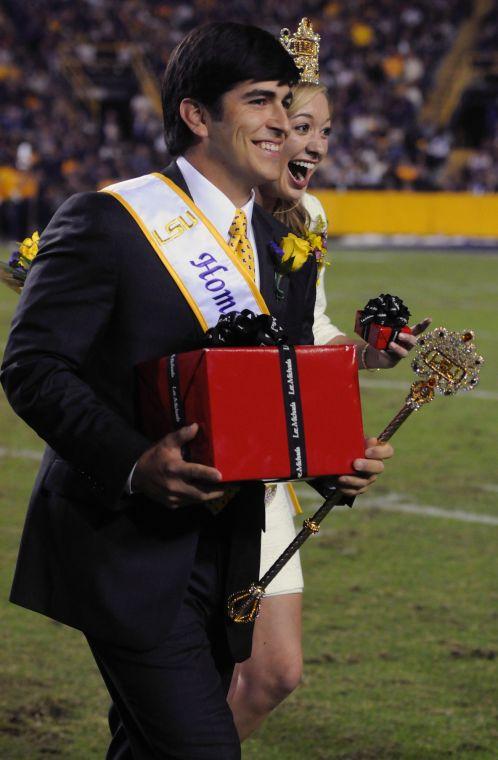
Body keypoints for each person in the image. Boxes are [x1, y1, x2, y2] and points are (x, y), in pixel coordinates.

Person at [1, 22, 393, 760]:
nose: (282, 121)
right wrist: (134, 459)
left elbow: (267, 394)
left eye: (285, 100)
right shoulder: (107, 221)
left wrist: (328, 461)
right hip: (123, 549)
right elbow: (32, 367)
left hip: (231, 552)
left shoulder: (288, 249)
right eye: (258, 101)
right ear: (197, 114)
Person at [228, 78, 431, 740]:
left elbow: (311, 333)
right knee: (192, 675)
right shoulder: (203, 215)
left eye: (324, 130)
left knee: (275, 674)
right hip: (203, 469)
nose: (313, 143)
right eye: (300, 125)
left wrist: (368, 356)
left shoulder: (307, 216)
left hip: (263, 472)